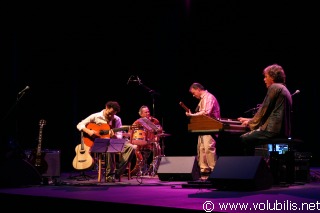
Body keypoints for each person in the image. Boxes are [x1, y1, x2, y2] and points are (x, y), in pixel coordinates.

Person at [237, 64, 292, 156]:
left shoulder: (275, 87)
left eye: (266, 77)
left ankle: (247, 167)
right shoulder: (284, 89)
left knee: (243, 139)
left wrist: (250, 122)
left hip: (272, 130)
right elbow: (270, 112)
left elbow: (264, 110)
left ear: (273, 77)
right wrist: (249, 120)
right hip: (282, 131)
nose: (264, 79)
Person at [76, 101, 136, 182]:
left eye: (113, 114)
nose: (111, 116)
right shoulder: (96, 116)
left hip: (113, 142)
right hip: (99, 143)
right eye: (109, 113)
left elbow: (119, 136)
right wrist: (89, 131)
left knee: (131, 147)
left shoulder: (117, 119)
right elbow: (80, 125)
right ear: (106, 108)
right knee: (109, 146)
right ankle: (109, 176)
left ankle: (118, 172)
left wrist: (113, 136)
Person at [186, 82, 221, 175]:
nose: (193, 95)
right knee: (201, 149)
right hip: (203, 127)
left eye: (194, 93)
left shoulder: (209, 97)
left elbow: (206, 113)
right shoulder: (202, 99)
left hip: (211, 127)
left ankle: (214, 171)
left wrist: (192, 115)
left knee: (208, 148)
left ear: (198, 89)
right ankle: (204, 171)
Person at [130, 105, 162, 176]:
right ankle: (138, 168)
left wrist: (157, 136)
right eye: (145, 112)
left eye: (148, 112)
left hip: (151, 142)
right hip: (141, 143)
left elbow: (160, 131)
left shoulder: (155, 121)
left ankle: (154, 168)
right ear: (141, 114)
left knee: (158, 147)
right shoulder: (137, 122)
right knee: (135, 147)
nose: (148, 113)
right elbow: (131, 132)